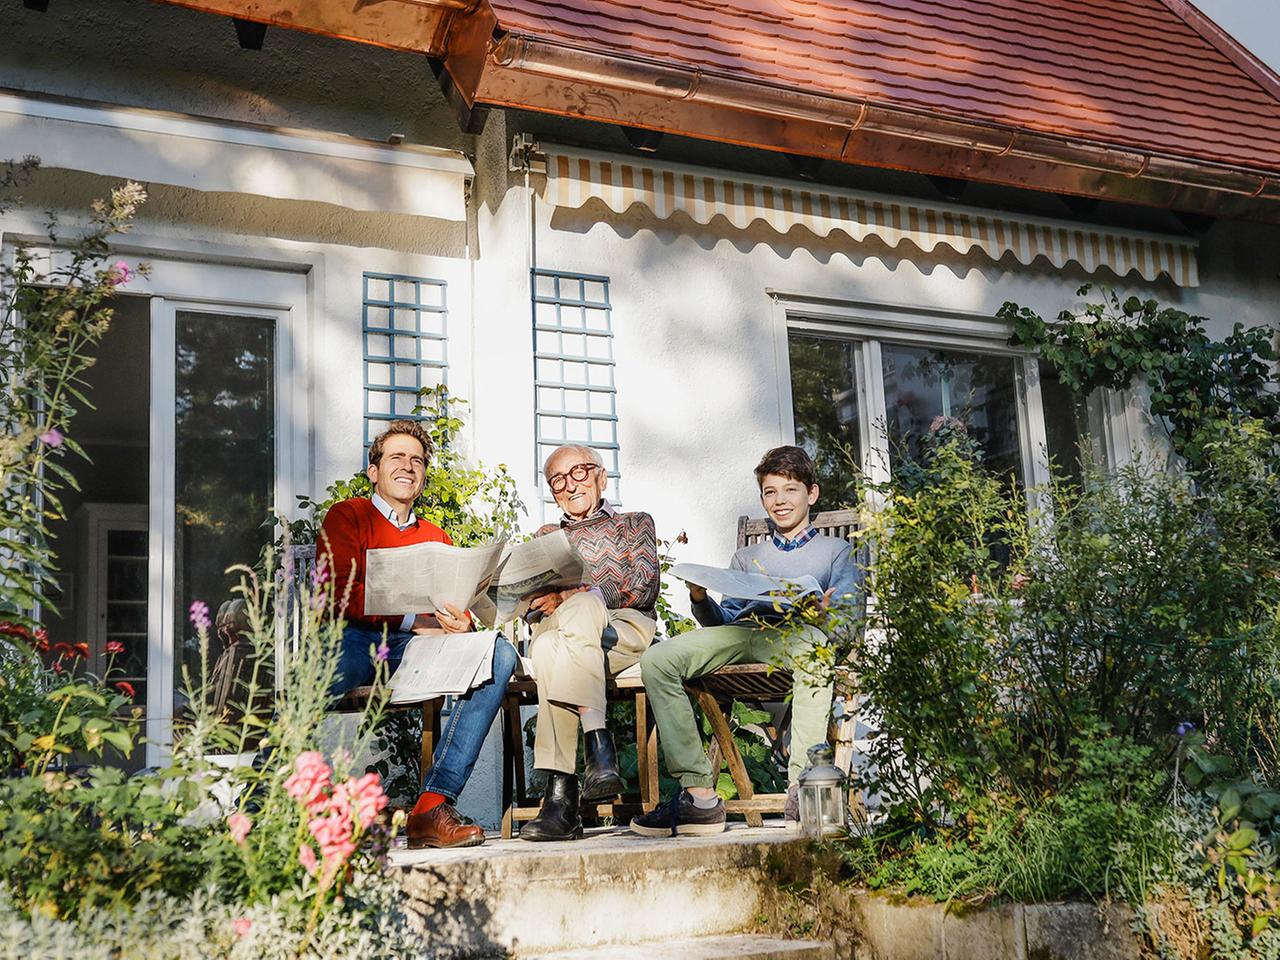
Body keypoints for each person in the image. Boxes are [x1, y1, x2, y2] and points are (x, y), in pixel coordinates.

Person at [631, 445, 861, 837]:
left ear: (812, 493)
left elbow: (847, 627)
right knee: (659, 659)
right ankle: (700, 796)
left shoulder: (837, 551)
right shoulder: (747, 555)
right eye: (770, 492)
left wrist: (824, 615)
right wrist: (700, 598)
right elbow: (721, 621)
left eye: (790, 490)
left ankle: (802, 784)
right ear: (762, 498)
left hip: (798, 636)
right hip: (743, 634)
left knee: (814, 653)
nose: (780, 501)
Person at [320, 419, 517, 850]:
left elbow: (452, 601)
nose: (408, 466)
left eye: (417, 460)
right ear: (374, 470)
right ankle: (261, 797)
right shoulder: (348, 515)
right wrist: (414, 621)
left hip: (418, 649)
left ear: (424, 473)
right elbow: (337, 592)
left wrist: (461, 622)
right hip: (356, 637)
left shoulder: (435, 535)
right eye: (397, 457)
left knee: (498, 654)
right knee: (325, 670)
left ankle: (431, 806)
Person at [519, 444, 660, 842]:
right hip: (565, 636)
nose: (569, 485)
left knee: (574, 614)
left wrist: (572, 595)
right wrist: (530, 602)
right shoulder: (547, 537)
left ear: (601, 475)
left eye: (578, 473)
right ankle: (599, 752)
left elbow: (642, 588)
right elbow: (536, 608)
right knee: (547, 647)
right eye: (558, 481)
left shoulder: (634, 524)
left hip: (624, 629)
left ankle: (560, 801)